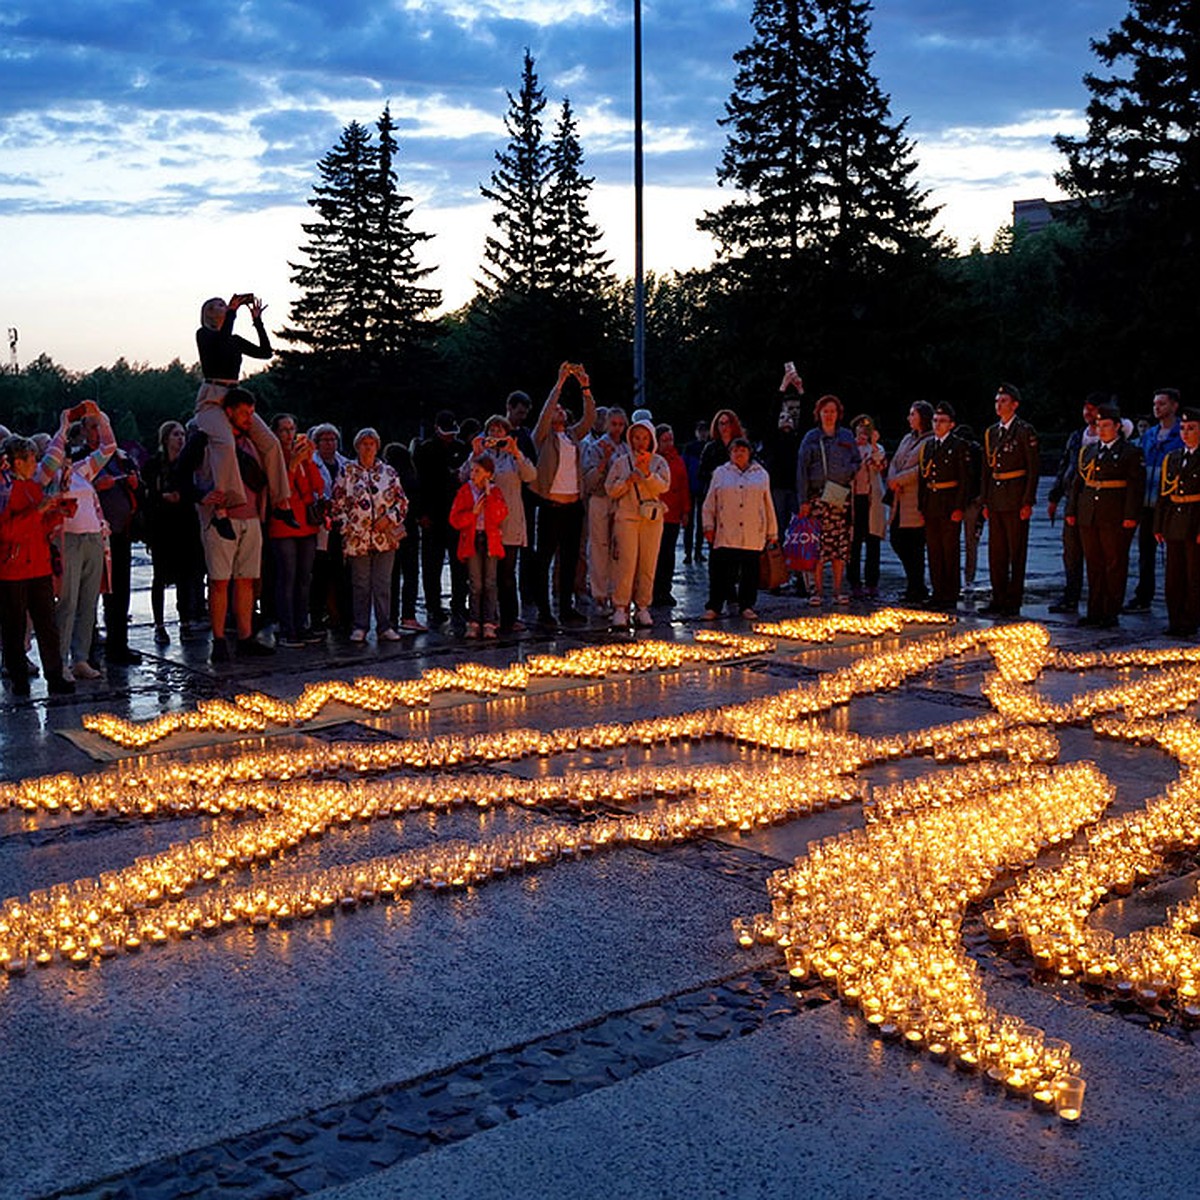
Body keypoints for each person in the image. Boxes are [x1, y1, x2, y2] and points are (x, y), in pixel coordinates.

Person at [193, 294, 292, 533]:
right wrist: (233, 312)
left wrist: (257, 322)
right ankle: (222, 510)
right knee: (224, 443)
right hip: (212, 396)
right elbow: (220, 344)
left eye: (223, 304)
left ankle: (281, 502)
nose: (223, 306)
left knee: (270, 443)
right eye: (216, 304)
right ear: (207, 314)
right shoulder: (204, 335)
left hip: (235, 396)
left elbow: (265, 352)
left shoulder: (234, 338)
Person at [192, 388, 275, 661]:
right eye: (244, 413)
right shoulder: (209, 441)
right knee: (219, 581)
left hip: (251, 518)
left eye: (252, 413)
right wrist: (202, 496)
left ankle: (245, 636)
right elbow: (184, 475)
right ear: (228, 412)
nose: (249, 419)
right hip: (221, 519)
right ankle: (218, 639)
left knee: (246, 580)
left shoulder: (252, 441)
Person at [0, 428, 75, 697]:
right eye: (31, 459)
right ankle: (18, 677)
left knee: (47, 624)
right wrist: (38, 512)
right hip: (13, 568)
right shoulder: (5, 491)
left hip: (38, 566)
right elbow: (7, 531)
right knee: (14, 626)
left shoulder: (32, 488)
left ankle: (54, 675)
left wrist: (57, 514)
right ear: (17, 461)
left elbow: (38, 527)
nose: (35, 463)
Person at [1065, 403, 1144, 629]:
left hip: (1114, 514)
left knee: (1114, 563)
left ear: (1118, 426)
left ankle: (1110, 611)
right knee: (1093, 563)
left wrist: (1131, 515)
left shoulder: (1130, 452)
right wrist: (1072, 510)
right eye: (1098, 425)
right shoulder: (1088, 451)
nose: (1101, 429)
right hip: (1089, 513)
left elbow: (1134, 487)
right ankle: (1094, 609)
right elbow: (1077, 483)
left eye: (1106, 425)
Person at [530, 362, 596, 628]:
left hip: (573, 505)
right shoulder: (543, 437)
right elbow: (544, 415)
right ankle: (544, 610)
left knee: (570, 560)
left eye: (561, 409)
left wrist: (585, 387)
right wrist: (559, 384)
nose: (558, 411)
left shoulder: (572, 436)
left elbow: (590, 418)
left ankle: (566, 607)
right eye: (556, 409)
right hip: (551, 505)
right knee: (544, 558)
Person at [54, 404, 117, 682]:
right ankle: (60, 660)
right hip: (68, 540)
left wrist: (99, 416)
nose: (66, 457)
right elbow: (52, 457)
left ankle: (81, 657)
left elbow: (108, 447)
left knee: (88, 601)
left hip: (93, 539)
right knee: (67, 601)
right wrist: (64, 426)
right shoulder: (49, 477)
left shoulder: (81, 471)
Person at [332, 428, 408, 644]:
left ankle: (385, 626)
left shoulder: (389, 473)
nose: (368, 447)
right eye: (364, 443)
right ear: (357, 446)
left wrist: (390, 518)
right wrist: (349, 528)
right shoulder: (346, 471)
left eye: (371, 443)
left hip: (385, 537)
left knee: (383, 583)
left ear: (377, 446)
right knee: (360, 584)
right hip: (358, 538)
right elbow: (337, 505)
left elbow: (402, 502)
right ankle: (360, 626)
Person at [462, 416, 536, 633]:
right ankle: (485, 618)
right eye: (491, 430)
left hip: (509, 521)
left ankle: (510, 617)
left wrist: (516, 452)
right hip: (484, 523)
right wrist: (474, 453)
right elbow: (464, 476)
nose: (495, 434)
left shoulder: (513, 457)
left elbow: (531, 475)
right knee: (483, 575)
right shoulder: (481, 458)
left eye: (500, 430)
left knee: (506, 573)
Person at [143, 420, 206, 646]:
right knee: (160, 576)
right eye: (175, 435)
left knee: (185, 575)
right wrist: (161, 497)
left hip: (185, 522)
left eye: (182, 434)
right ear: (165, 438)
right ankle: (159, 624)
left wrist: (184, 496)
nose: (180, 439)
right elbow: (146, 494)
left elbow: (195, 489)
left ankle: (185, 620)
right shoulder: (153, 465)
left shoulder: (188, 464)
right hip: (162, 524)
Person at [980, 384, 1039, 619]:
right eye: (997, 401)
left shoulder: (1024, 431)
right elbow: (987, 470)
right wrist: (985, 501)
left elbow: (1033, 468)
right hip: (996, 498)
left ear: (1014, 404)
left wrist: (1028, 501)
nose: (999, 405)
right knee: (997, 552)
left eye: (1004, 401)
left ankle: (1013, 600)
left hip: (1015, 497)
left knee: (1016, 551)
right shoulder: (992, 433)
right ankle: (998, 597)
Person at [702, 437, 777, 620]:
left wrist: (772, 531)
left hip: (752, 530)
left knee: (750, 572)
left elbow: (767, 504)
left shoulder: (761, 474)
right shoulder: (720, 473)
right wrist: (708, 525)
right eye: (735, 451)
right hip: (726, 529)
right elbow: (710, 500)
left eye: (742, 450)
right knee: (722, 572)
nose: (739, 454)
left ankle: (747, 605)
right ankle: (715, 605)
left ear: (749, 452)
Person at [605, 419, 671, 629]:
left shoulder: (659, 462)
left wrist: (647, 475)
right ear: (630, 438)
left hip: (651, 519)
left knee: (647, 564)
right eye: (636, 437)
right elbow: (610, 488)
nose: (640, 442)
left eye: (644, 438)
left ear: (651, 439)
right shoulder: (621, 462)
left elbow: (664, 486)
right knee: (626, 563)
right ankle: (620, 607)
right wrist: (628, 481)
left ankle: (642, 606)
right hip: (627, 517)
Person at [795, 394, 859, 606]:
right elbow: (802, 470)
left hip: (840, 497)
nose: (829, 415)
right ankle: (817, 590)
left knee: (839, 546)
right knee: (817, 547)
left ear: (838, 413)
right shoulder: (811, 438)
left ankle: (839, 589)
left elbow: (856, 461)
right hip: (817, 497)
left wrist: (847, 472)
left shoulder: (847, 436)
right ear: (819, 414)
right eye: (825, 411)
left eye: (832, 411)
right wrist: (803, 499)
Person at [267, 414, 323, 648]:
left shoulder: (302, 456)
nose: (289, 435)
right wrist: (291, 465)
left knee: (304, 578)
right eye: (284, 430)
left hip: (306, 524)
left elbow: (318, 486)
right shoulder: (273, 456)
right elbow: (280, 491)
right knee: (287, 577)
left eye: (292, 429)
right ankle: (287, 628)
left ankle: (302, 625)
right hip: (284, 525)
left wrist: (308, 461)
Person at [1047, 395, 1104, 614]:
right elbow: (1064, 467)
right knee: (1071, 552)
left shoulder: (1108, 436)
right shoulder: (1077, 437)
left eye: (1093, 409)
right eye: (1085, 408)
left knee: (1095, 553)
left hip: (1096, 501)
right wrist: (1054, 497)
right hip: (1072, 500)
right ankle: (1071, 594)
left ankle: (1099, 599)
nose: (1088, 413)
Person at [1126, 387, 1182, 612]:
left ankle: (1180, 599)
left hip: (1171, 503)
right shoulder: (1149, 435)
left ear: (1174, 406)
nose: (1157, 408)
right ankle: (1143, 595)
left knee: (1176, 554)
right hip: (1148, 503)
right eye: (1155, 404)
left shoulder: (1181, 433)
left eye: (1162, 404)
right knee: (1145, 552)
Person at [414, 410, 469, 630]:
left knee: (459, 563)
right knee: (431, 564)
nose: (450, 436)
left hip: (456, 514)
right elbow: (419, 484)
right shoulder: (425, 450)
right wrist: (421, 514)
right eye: (446, 432)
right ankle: (433, 606)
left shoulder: (460, 449)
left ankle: (458, 604)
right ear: (437, 429)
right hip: (433, 515)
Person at [917, 402, 971, 611]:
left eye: (942, 421)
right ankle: (938, 591)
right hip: (932, 503)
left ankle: (950, 592)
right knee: (934, 550)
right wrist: (922, 506)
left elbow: (965, 480)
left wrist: (959, 507)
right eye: (935, 421)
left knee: (950, 549)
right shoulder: (928, 446)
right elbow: (923, 478)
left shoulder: (958, 446)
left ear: (951, 424)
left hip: (949, 502)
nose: (938, 425)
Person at [450, 454, 508, 638]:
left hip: (490, 539)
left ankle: (489, 621)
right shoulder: (465, 491)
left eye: (477, 471)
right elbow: (455, 519)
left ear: (488, 474)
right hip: (473, 539)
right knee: (475, 583)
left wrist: (489, 496)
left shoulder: (496, 492)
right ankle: (474, 621)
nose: (473, 474)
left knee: (490, 582)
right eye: (472, 471)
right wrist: (472, 514)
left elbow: (500, 515)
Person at [1154, 406, 1200, 638]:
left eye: (1191, 428)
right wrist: (1159, 525)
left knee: (1194, 576)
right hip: (1174, 521)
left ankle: (1191, 621)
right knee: (1174, 576)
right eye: (1182, 428)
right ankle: (1175, 620)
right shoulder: (1173, 458)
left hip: (1194, 520)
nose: (1186, 433)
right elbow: (1164, 495)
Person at [886, 401, 933, 605]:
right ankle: (913, 583)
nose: (909, 418)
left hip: (914, 499)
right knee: (897, 540)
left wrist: (900, 479)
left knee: (914, 545)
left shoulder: (930, 441)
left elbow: (921, 469)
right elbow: (895, 461)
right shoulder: (907, 439)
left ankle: (917, 587)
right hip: (899, 498)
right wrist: (892, 478)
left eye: (912, 414)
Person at [581, 407, 628, 614]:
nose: (617, 428)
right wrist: (603, 463)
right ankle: (599, 594)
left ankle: (617, 593)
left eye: (620, 424)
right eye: (614, 424)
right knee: (599, 546)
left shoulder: (627, 448)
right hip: (600, 497)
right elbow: (588, 478)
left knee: (619, 548)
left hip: (620, 500)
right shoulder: (596, 446)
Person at [310, 423, 351, 633]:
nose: (329, 443)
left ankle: (342, 616)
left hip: (341, 525)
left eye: (333, 439)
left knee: (341, 573)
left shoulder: (346, 464)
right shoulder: (311, 463)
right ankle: (316, 615)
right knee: (320, 573)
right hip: (321, 525)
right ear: (317, 444)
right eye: (325, 440)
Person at [384, 440, 425, 633]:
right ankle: (408, 615)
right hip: (409, 530)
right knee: (410, 574)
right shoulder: (413, 477)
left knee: (391, 575)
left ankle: (390, 616)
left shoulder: (387, 477)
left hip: (391, 530)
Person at [847, 415, 887, 599]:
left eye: (866, 431)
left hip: (872, 500)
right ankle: (854, 581)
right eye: (859, 430)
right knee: (853, 541)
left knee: (873, 540)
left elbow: (879, 464)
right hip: (854, 498)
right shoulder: (849, 449)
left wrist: (873, 445)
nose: (862, 434)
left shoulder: (876, 449)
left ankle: (872, 582)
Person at [652, 423, 690, 608]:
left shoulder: (677, 460)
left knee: (668, 554)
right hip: (657, 512)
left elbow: (684, 486)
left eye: (671, 439)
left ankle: (664, 590)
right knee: (655, 554)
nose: (669, 443)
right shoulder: (653, 460)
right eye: (665, 440)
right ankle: (652, 591)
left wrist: (686, 511)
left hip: (673, 513)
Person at [953, 423, 985, 595]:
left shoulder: (962, 450)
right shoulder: (978, 451)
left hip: (968, 500)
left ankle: (959, 579)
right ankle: (968, 579)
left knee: (958, 542)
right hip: (973, 501)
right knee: (971, 543)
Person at [681, 420, 709, 565]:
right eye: (701, 430)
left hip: (703, 489)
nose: (703, 433)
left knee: (701, 523)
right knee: (689, 523)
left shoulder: (709, 447)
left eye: (705, 430)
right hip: (691, 488)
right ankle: (688, 552)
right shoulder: (690, 448)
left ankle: (697, 551)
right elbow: (684, 468)